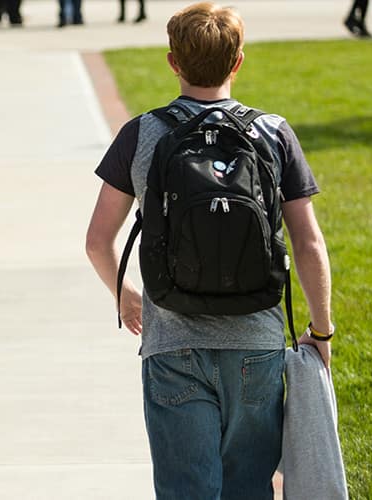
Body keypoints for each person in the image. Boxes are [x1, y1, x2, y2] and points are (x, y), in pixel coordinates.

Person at [81, 4, 337, 497]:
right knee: (248, 487)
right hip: (256, 341)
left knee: (186, 489)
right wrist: (321, 330)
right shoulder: (273, 132)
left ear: (173, 61)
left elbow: (97, 241)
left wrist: (126, 297)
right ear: (238, 61)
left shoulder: (143, 133)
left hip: (172, 342)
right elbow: (308, 241)